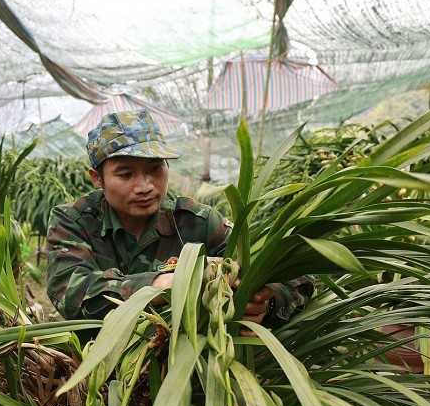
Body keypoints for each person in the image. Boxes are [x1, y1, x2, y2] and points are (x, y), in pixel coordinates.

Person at [46, 109, 313, 331]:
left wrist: (265, 301)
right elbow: (69, 291)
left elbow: (295, 275)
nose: (145, 187)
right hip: (101, 371)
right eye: (126, 175)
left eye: (155, 169)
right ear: (96, 178)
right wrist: (167, 283)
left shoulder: (198, 221)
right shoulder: (74, 221)